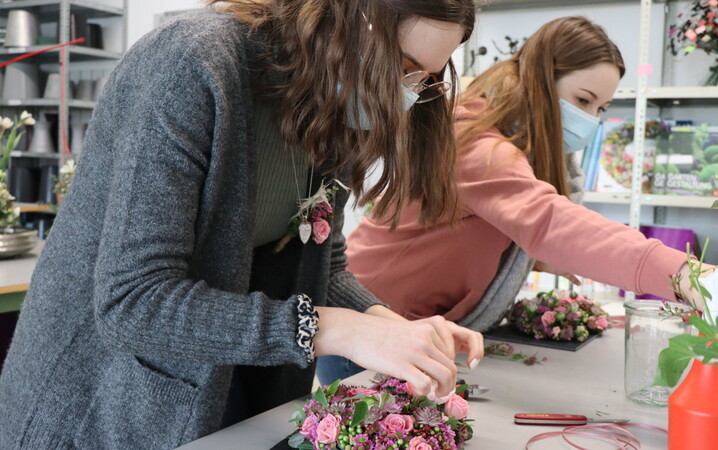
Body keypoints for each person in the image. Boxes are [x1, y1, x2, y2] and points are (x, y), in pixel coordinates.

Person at [0, 1, 485, 448]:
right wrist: (339, 330)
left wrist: (392, 328)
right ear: (347, 23)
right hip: (97, 398)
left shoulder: (331, 99)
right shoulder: (191, 63)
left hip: (221, 381)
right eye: (400, 68)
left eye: (426, 78)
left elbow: (324, 269)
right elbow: (134, 301)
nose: (408, 92)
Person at [317, 16, 705, 384]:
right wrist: (684, 274)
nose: (591, 119)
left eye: (601, 108)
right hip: (375, 319)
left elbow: (484, 225)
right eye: (583, 100)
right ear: (539, 80)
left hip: (414, 323)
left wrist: (540, 256)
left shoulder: (512, 140)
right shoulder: (478, 142)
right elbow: (547, 221)